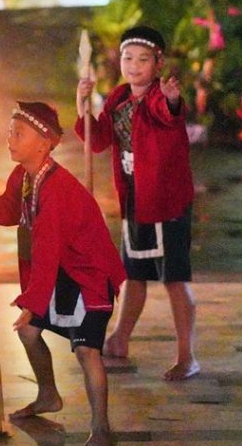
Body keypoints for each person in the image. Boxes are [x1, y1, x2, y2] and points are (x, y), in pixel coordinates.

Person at [0, 101, 126, 446]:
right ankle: (48, 395)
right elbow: (7, 211)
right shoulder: (23, 176)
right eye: (10, 131)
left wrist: (32, 300)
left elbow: (48, 247)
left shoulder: (57, 188)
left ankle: (101, 426)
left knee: (87, 350)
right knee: (27, 330)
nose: (10, 139)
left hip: (88, 275)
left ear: (44, 142)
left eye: (18, 133)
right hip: (61, 272)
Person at [75, 25, 199, 380]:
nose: (133, 65)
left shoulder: (160, 98)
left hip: (166, 201)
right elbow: (97, 141)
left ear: (158, 65)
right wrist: (83, 105)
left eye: (143, 60)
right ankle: (119, 339)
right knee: (134, 274)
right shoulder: (117, 99)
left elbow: (169, 111)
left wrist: (173, 98)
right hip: (134, 200)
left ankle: (187, 355)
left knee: (174, 279)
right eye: (128, 58)